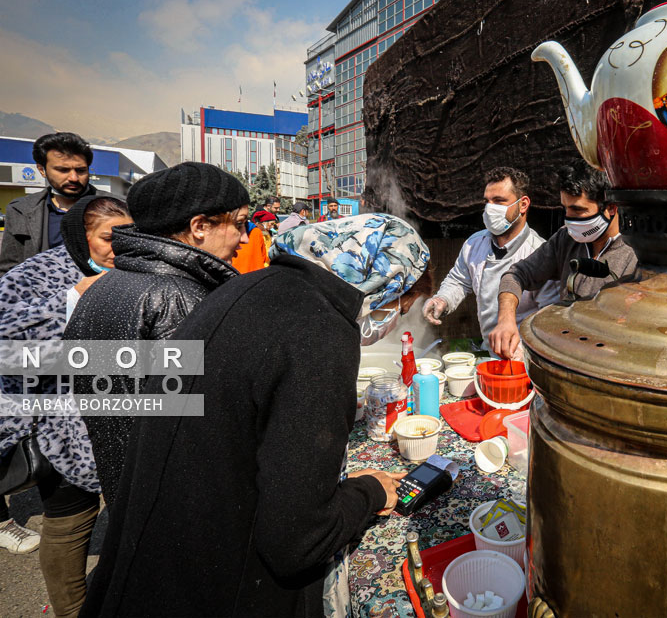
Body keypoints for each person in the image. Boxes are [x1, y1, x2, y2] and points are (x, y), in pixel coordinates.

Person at [80, 214, 430, 617]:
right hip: (214, 587)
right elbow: (299, 540)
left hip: (146, 560)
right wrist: (369, 492)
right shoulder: (320, 329)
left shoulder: (250, 286)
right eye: (402, 307)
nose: (394, 323)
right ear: (385, 283)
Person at [63, 162, 249, 508]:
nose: (246, 237)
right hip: (178, 501)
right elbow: (204, 425)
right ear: (200, 226)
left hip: (129, 487)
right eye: (239, 224)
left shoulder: (108, 284)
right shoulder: (179, 297)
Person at [0, 196, 131, 615]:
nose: (119, 248)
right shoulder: (36, 274)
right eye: (109, 238)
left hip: (125, 416)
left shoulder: (132, 272)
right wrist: (73, 299)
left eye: (129, 237)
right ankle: (72, 610)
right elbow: (7, 348)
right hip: (59, 425)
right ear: (81, 237)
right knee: (71, 517)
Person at [489, 163, 638, 358]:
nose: (568, 218)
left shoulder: (638, 253)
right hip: (565, 355)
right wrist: (506, 320)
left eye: (577, 210)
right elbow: (517, 274)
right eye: (565, 208)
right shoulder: (565, 239)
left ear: (610, 208)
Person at [421, 167, 559, 347]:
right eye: (488, 201)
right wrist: (442, 299)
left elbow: (549, 317)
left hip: (524, 356)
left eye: (499, 201)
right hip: (489, 349)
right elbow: (459, 280)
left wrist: (525, 351)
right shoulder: (475, 244)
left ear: (523, 204)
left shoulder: (540, 254)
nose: (490, 208)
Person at [0, 133, 108, 276]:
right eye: (63, 170)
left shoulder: (117, 207)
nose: (73, 178)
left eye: (81, 170)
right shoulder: (20, 211)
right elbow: (8, 269)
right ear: (41, 170)